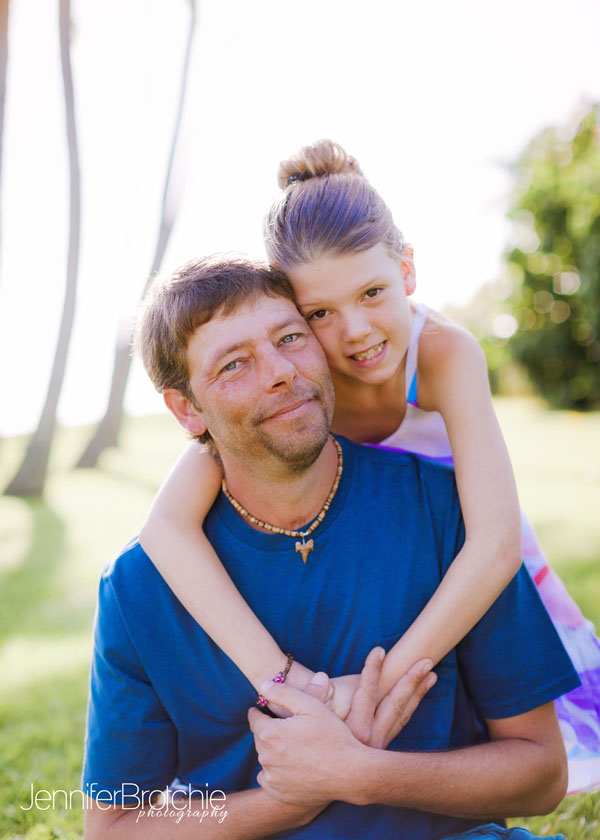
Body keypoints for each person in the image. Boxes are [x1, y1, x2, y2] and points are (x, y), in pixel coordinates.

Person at [140, 140, 600, 789]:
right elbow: (164, 529)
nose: (354, 332)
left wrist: (379, 694)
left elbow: (495, 544)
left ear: (407, 271)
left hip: (467, 539)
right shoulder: (298, 380)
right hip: (374, 551)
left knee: (504, 697)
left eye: (374, 292)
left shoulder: (442, 353)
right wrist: (285, 680)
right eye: (319, 313)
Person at [83, 255, 579, 839]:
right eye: (234, 364)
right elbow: (115, 828)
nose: (279, 371)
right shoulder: (140, 588)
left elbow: (541, 774)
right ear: (188, 409)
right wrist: (285, 803)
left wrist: (366, 776)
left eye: (290, 337)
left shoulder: (444, 511)